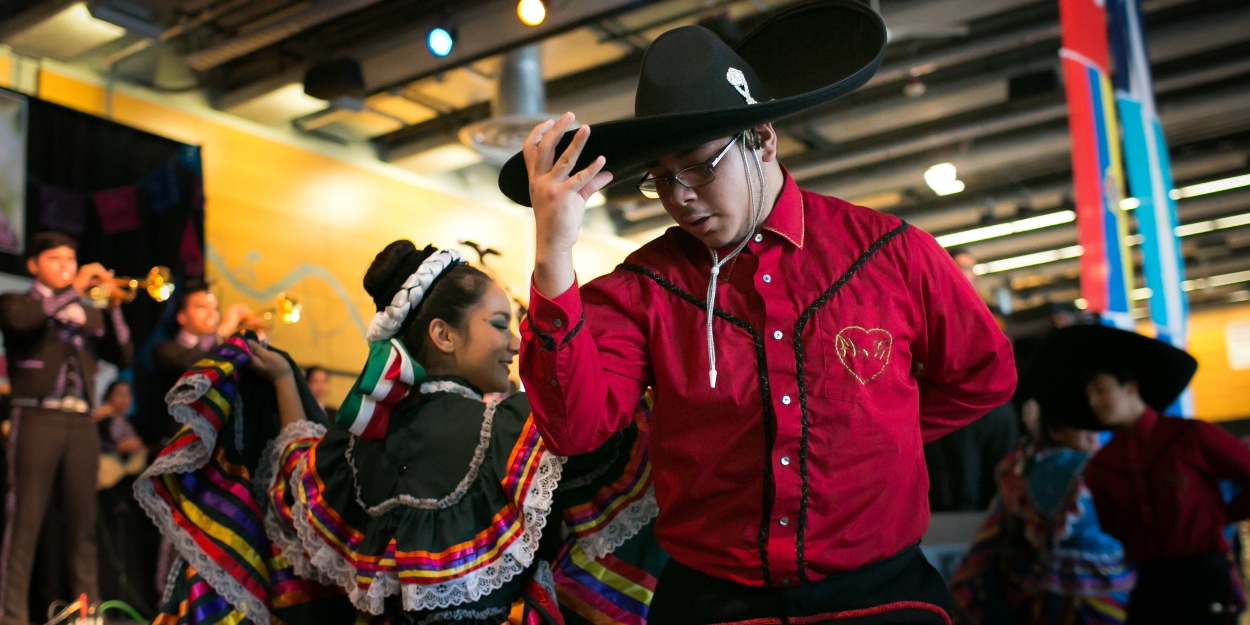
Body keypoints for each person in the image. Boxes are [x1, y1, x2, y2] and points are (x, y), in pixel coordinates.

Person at [498, 2, 1017, 622]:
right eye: (660, 177)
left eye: (697, 164)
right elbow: (576, 429)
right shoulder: (645, 287)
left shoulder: (890, 255)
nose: (679, 195)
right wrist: (553, 255)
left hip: (880, 596)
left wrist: (876, 433)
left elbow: (984, 375)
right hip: (715, 603)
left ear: (762, 140)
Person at [1030, 323, 1250, 624]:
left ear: (1131, 386)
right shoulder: (1101, 466)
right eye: (1089, 394)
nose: (1094, 401)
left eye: (1101, 389)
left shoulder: (1192, 436)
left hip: (1204, 575)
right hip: (1149, 581)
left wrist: (1222, 515)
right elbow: (1112, 525)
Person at [0, 231, 133, 625]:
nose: (66, 267)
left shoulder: (87, 311)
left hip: (81, 422)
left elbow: (122, 353)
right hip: (35, 414)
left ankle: (86, 613)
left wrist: (112, 305)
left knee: (83, 522)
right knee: (24, 519)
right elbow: (22, 324)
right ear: (33, 265)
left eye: (71, 260)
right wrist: (73, 290)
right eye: (55, 259)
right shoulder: (17, 301)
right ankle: (11, 617)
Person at [949, 407, 1133, 624]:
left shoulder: (1025, 461)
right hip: (1089, 592)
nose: (1093, 432)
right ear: (1055, 431)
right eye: (1081, 423)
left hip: (1046, 590)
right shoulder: (1077, 468)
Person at [924, 247, 1019, 512]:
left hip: (999, 405)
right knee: (963, 485)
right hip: (961, 406)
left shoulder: (992, 312)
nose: (970, 275)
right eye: (964, 267)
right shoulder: (934, 308)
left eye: (972, 269)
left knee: (1003, 476)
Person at [150, 284, 250, 437]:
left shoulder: (223, 349)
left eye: (215, 308)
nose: (212, 314)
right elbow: (192, 368)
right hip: (184, 437)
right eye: (202, 307)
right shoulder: (165, 350)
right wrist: (221, 332)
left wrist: (257, 338)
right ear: (181, 316)